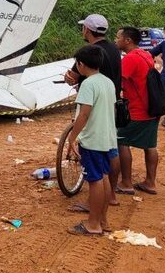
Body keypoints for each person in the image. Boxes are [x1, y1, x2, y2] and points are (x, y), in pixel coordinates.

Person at [64, 14, 122, 211]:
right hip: (110, 106)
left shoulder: (88, 54)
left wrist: (73, 137)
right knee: (110, 157)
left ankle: (93, 211)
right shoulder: (114, 49)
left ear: (87, 30)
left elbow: (83, 113)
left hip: (93, 112)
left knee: (95, 175)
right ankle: (111, 196)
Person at [67, 45, 118, 236]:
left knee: (95, 180)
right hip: (107, 138)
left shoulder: (88, 84)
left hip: (93, 140)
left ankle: (93, 224)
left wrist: (72, 137)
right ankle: (102, 220)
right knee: (103, 177)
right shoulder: (108, 82)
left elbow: (84, 114)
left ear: (80, 65)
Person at [113, 27, 160, 195]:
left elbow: (117, 82)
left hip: (136, 110)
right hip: (152, 108)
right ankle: (150, 182)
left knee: (122, 142)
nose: (115, 40)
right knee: (150, 145)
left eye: (118, 37)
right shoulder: (145, 54)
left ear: (127, 41)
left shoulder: (130, 59)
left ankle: (126, 182)